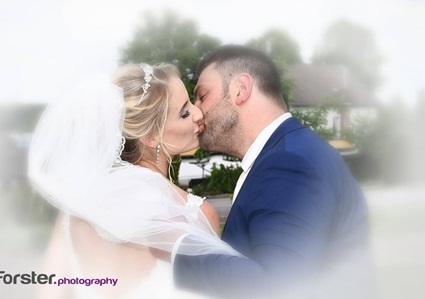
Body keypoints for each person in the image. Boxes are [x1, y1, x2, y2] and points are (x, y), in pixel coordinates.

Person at [173, 45, 376, 298]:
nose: (198, 110)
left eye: (202, 95)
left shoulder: (288, 163)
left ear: (241, 89)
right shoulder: (290, 150)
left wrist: (174, 255)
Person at [28, 63, 241, 299]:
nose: (198, 113)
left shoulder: (75, 212)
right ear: (150, 137)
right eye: (184, 112)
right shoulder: (196, 215)